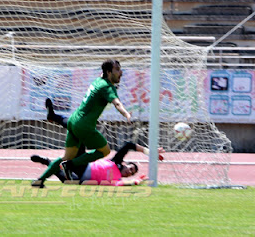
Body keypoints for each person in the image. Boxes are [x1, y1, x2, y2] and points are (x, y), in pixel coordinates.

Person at [32, 59, 132, 188]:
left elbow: (103, 79)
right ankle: (70, 165)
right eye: (117, 69)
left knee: (66, 156)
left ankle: (39, 181)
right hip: (84, 125)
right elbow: (117, 103)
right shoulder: (107, 87)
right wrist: (126, 114)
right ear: (108, 72)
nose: (121, 72)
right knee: (105, 151)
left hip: (73, 120)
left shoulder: (98, 81)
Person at [31, 99, 164, 187]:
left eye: (131, 173)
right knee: (77, 128)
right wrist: (149, 152)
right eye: (131, 168)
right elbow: (129, 145)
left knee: (67, 181)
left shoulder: (117, 179)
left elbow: (121, 185)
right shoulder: (115, 162)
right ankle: (53, 117)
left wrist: (135, 182)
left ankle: (47, 162)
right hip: (83, 162)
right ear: (125, 163)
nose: (129, 172)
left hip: (82, 175)